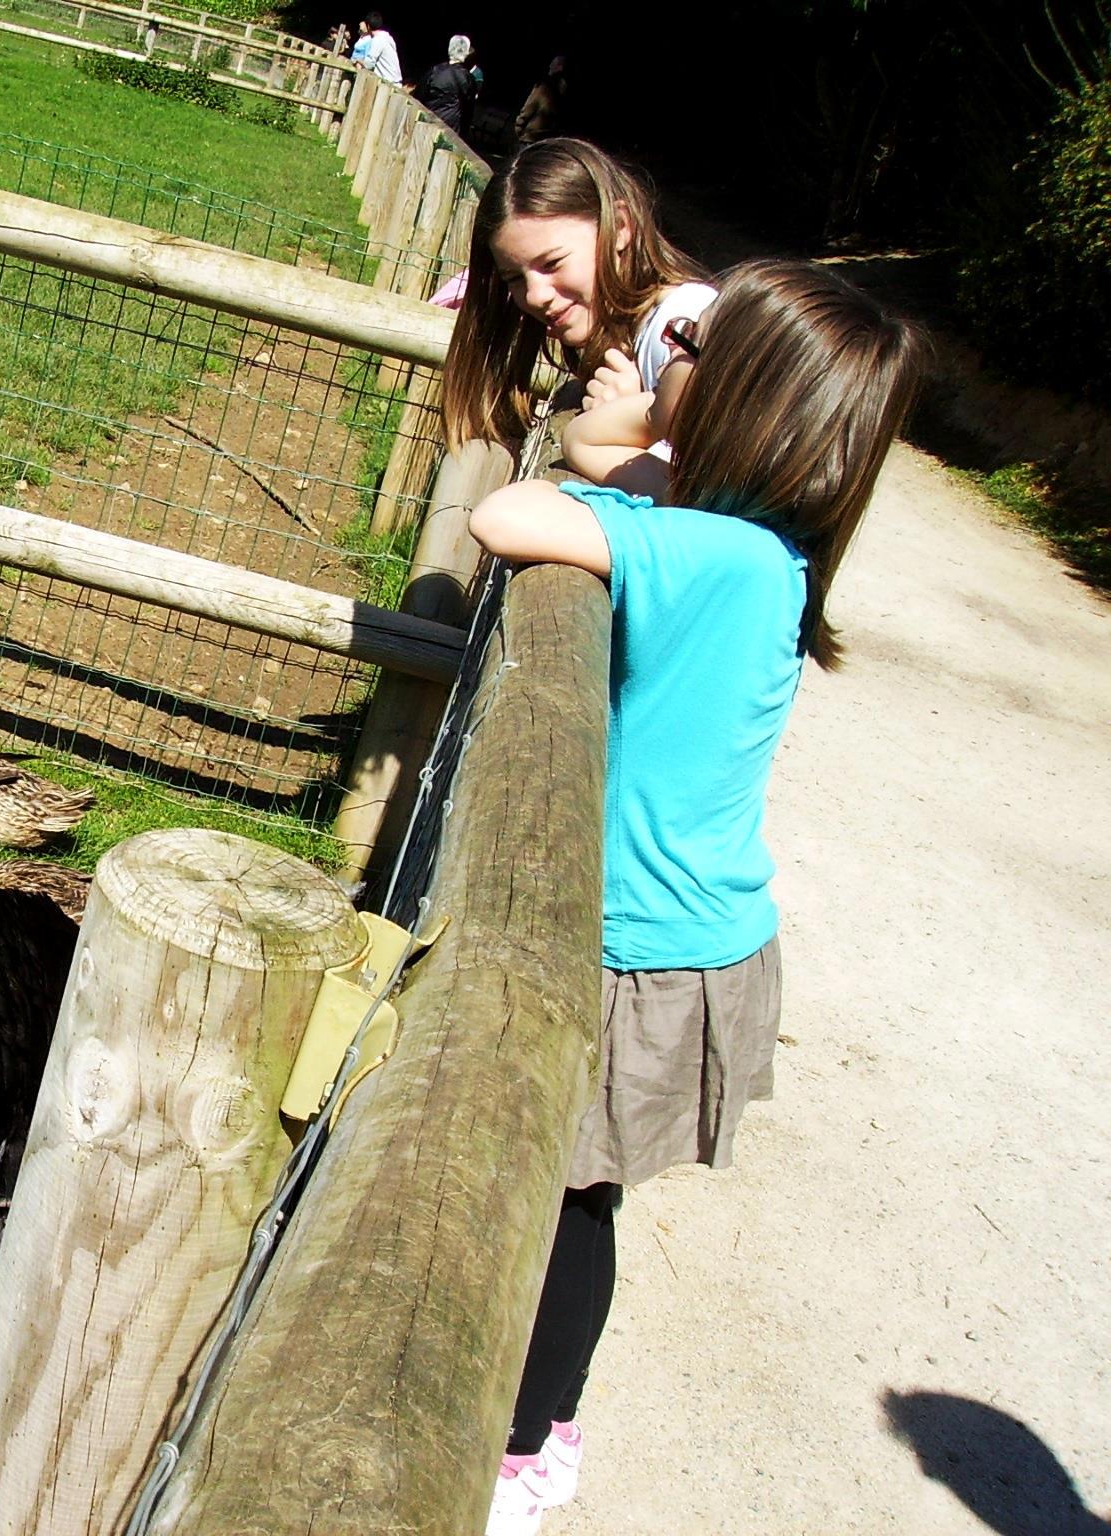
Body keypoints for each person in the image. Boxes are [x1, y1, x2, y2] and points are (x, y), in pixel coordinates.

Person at [466, 259, 926, 1536]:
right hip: (672, 934)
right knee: (576, 1193)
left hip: (645, 947)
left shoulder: (709, 553)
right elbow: (602, 477)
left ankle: (522, 1448)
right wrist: (655, 430)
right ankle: (544, 1424)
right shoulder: (748, 544)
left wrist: (632, 428)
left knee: (566, 1203)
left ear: (738, 402)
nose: (667, 349)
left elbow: (507, 516)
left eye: (697, 347)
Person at [441, 138, 716, 455]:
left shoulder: (680, 328)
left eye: (552, 264)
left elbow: (720, 475)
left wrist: (636, 426)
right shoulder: (637, 335)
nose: (535, 296)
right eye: (514, 278)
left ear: (621, 227)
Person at [420, 34, 481, 136]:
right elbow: (468, 111)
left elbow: (420, 96)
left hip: (427, 123)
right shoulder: (469, 79)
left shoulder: (435, 70)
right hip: (450, 130)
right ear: (466, 53)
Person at [513, 55, 568, 143]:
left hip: (530, 137)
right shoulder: (564, 92)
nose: (550, 66)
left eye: (553, 64)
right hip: (547, 141)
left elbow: (528, 109)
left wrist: (519, 129)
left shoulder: (543, 87)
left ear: (560, 67)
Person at [355, 11, 401, 85]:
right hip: (395, 82)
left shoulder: (378, 40)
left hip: (389, 84)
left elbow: (369, 64)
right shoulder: (387, 37)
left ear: (368, 26)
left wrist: (357, 61)